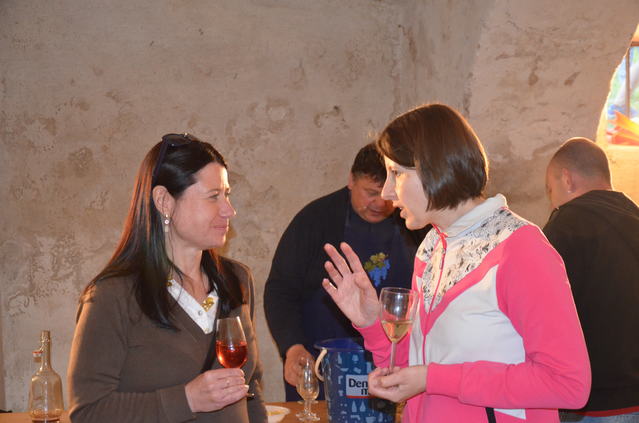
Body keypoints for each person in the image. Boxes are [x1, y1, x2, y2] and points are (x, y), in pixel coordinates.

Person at [321, 104, 591, 422]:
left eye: (396, 173)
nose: (387, 192)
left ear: (432, 168)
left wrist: (434, 378)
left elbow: (567, 384)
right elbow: (416, 369)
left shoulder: (520, 248)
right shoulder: (431, 248)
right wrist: (372, 324)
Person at [67, 133, 267, 423]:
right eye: (213, 196)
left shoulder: (237, 279)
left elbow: (251, 389)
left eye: (227, 194)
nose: (229, 210)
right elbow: (88, 412)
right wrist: (187, 400)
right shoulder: (112, 296)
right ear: (164, 201)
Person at [264, 142, 426, 401]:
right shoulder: (315, 219)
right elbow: (280, 290)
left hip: (395, 362)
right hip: (321, 364)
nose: (380, 203)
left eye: (388, 193)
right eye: (371, 192)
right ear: (351, 180)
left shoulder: (415, 223)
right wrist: (292, 346)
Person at [543, 137, 639, 422]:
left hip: (595, 403)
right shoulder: (635, 217)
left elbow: (544, 316)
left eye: (550, 189)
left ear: (567, 179)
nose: (552, 200)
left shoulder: (565, 225)